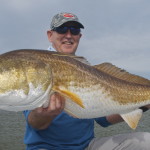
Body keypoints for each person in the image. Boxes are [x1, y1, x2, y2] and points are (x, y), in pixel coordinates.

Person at [24, 12, 150, 150]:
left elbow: (104, 120)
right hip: (46, 147)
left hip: (88, 146)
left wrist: (144, 105)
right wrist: (46, 114)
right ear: (50, 35)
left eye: (74, 30)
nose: (68, 35)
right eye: (61, 29)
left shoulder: (87, 69)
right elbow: (34, 122)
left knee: (146, 141)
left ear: (79, 36)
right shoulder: (37, 67)